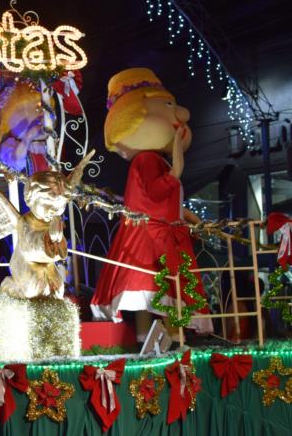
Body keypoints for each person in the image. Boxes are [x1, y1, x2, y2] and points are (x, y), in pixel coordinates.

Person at [89, 68, 212, 339]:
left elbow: (168, 202)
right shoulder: (146, 161)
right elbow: (157, 192)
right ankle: (158, 341)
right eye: (168, 106)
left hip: (163, 232)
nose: (182, 115)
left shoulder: (153, 161)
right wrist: (177, 164)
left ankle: (154, 340)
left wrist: (194, 219)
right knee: (160, 291)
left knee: (163, 292)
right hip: (154, 237)